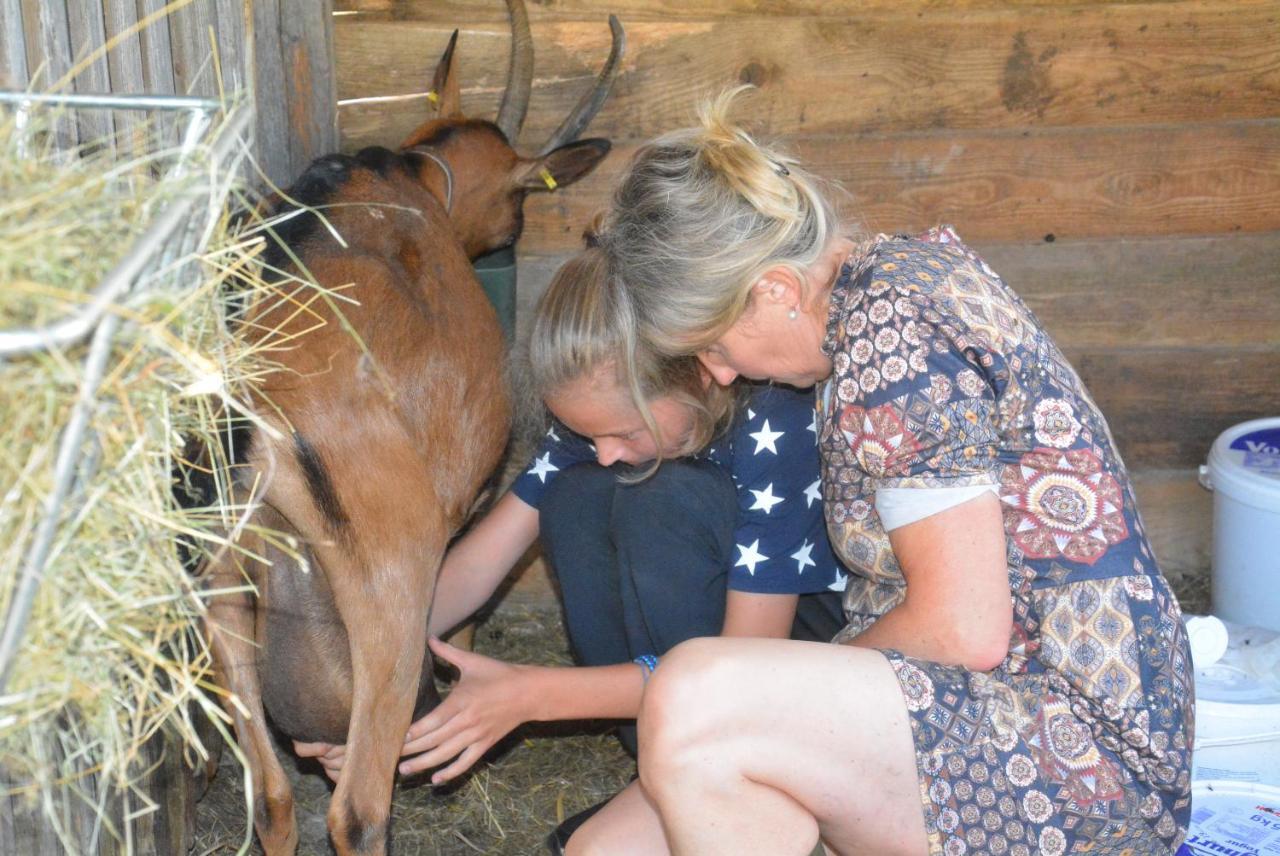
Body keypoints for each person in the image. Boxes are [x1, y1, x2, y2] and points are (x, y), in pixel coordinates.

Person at [582, 86, 1194, 856]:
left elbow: (960, 628)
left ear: (774, 291)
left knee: (696, 692)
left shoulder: (889, 328)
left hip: (1072, 753)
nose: (723, 373)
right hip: (981, 715)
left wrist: (772, 705)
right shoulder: (886, 292)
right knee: (605, 847)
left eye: (712, 342)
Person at [295, 242, 848, 853]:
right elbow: (477, 569)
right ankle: (669, 759)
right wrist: (359, 683)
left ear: (696, 369)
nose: (605, 450)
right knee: (580, 495)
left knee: (660, 496)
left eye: (623, 430)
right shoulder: (602, 424)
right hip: (701, 681)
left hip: (798, 663)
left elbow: (750, 660)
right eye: (590, 434)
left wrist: (527, 696)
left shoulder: (774, 416)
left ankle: (741, 770)